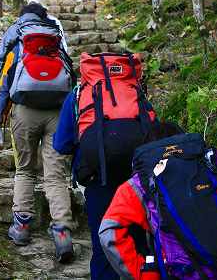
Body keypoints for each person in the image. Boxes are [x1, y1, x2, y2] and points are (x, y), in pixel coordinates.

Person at [99, 127, 217, 280]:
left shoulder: (138, 184)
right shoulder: (204, 167)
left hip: (185, 272)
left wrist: (143, 273)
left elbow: (108, 231)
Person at [53, 52, 159, 280]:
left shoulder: (80, 94)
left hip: (98, 179)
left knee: (103, 246)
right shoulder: (135, 92)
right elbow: (155, 134)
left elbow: (61, 144)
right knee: (141, 243)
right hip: (137, 180)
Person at [0, 0, 74, 263]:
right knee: (56, 176)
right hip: (57, 112)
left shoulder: (16, 33)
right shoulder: (54, 34)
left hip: (24, 111)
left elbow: (3, 78)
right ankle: (62, 233)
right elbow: (70, 73)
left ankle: (22, 227)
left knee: (25, 170)